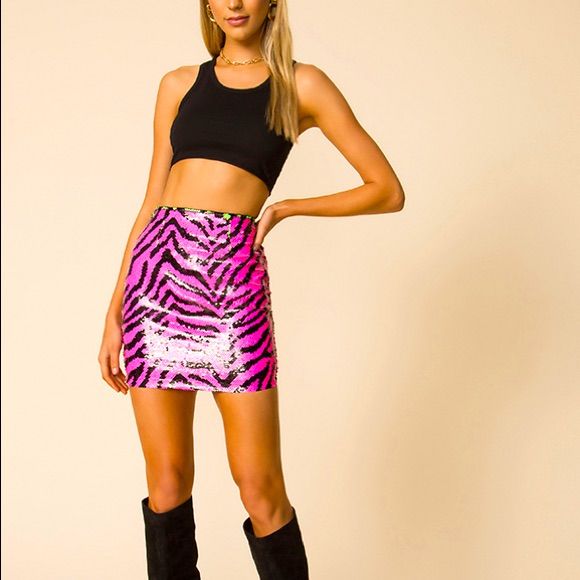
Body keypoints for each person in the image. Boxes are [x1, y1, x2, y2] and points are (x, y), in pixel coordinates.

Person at [98, 0, 405, 578]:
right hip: (154, 283)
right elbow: (151, 200)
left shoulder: (302, 85)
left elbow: (386, 190)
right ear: (208, 6)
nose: (234, 2)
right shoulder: (178, 84)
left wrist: (287, 207)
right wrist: (114, 312)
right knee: (166, 482)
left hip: (231, 285)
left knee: (259, 486)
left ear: (271, 3)